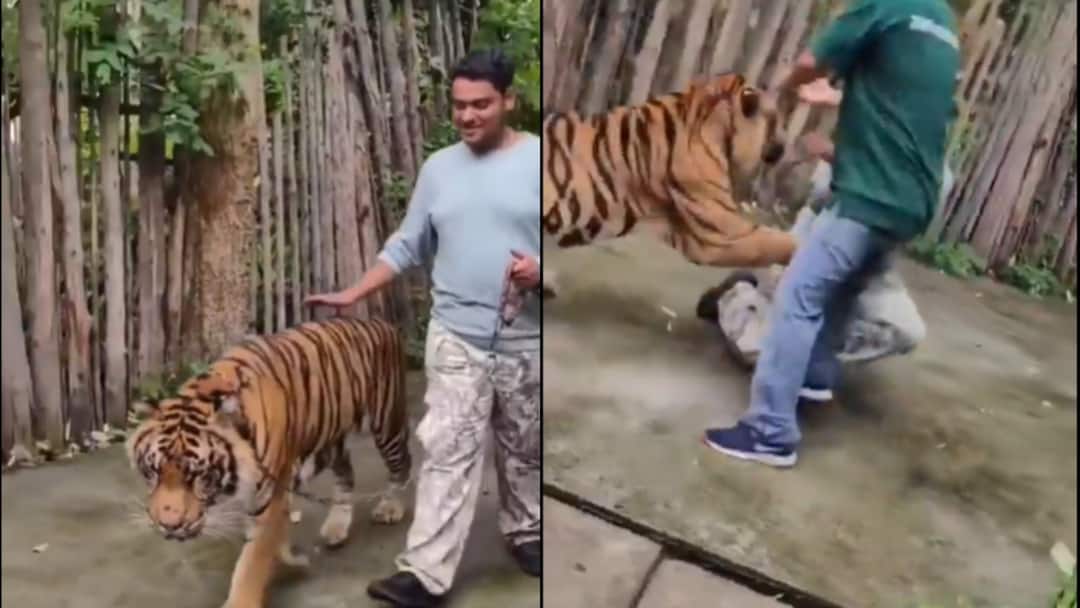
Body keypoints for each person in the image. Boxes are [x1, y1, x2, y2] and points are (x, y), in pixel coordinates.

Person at [305, 48, 541, 606]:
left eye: (481, 104)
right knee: (446, 451)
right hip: (457, 336)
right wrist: (355, 291)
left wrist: (543, 269)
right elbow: (409, 243)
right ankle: (426, 572)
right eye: (459, 105)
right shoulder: (439, 169)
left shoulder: (542, 162)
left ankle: (525, 528)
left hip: (529, 339)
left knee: (523, 447)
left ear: (509, 100)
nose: (467, 116)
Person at [703, 0, 961, 468]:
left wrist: (774, 90)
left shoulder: (886, 6)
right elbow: (910, 99)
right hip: (912, 205)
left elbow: (809, 62)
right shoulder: (941, 22)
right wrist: (840, 100)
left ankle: (769, 432)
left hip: (867, 198)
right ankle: (816, 377)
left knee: (799, 298)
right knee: (843, 288)